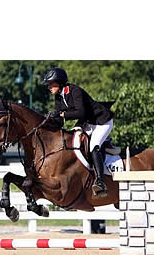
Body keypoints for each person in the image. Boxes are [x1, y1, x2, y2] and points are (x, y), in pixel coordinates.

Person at [42, 67, 115, 197]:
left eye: (51, 84)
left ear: (59, 82)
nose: (49, 87)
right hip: (88, 122)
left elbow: (81, 112)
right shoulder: (58, 97)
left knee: (94, 146)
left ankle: (100, 181)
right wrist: (49, 120)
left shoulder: (75, 91)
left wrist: (62, 114)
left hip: (102, 121)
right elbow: (60, 121)